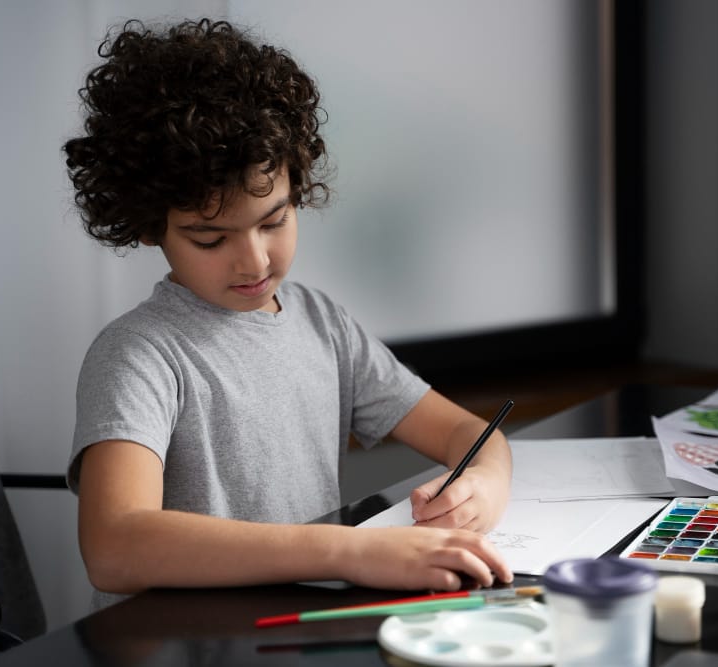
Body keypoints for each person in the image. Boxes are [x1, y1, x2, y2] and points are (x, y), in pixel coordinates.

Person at [62, 18, 513, 606]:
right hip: (192, 640)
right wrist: (349, 551)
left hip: (303, 623)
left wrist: (487, 482)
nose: (253, 260)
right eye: (209, 239)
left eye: (273, 221)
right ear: (150, 227)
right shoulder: (139, 355)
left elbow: (467, 433)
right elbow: (114, 547)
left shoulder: (321, 323)